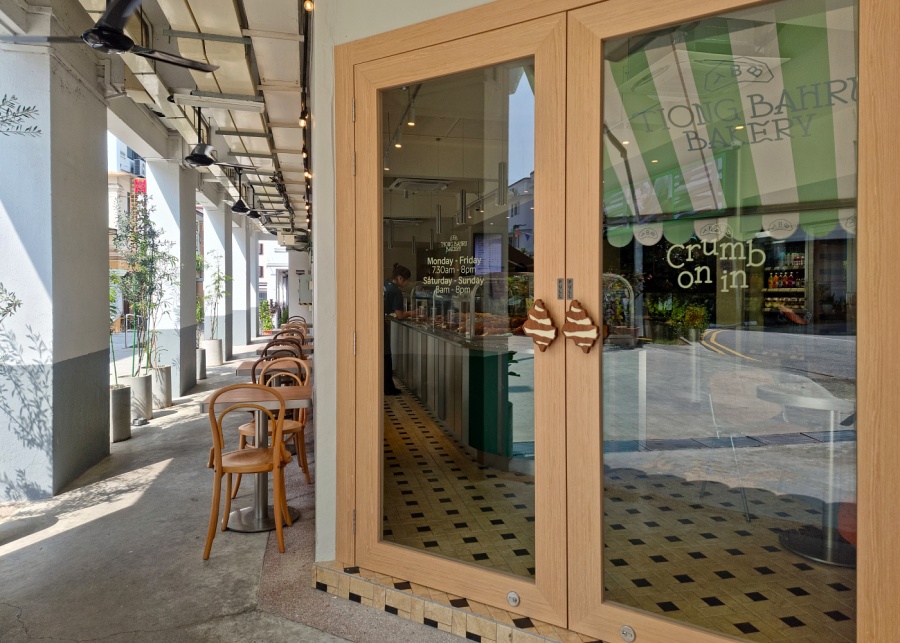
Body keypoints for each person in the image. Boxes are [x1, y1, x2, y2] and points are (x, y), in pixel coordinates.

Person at [384, 263, 412, 395]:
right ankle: (388, 388)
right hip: (382, 324)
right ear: (400, 278)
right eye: (406, 280)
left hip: (377, 322)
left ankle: (384, 386)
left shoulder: (385, 284)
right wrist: (414, 313)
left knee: (382, 356)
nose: (407, 283)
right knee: (386, 356)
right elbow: (400, 315)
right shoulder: (396, 291)